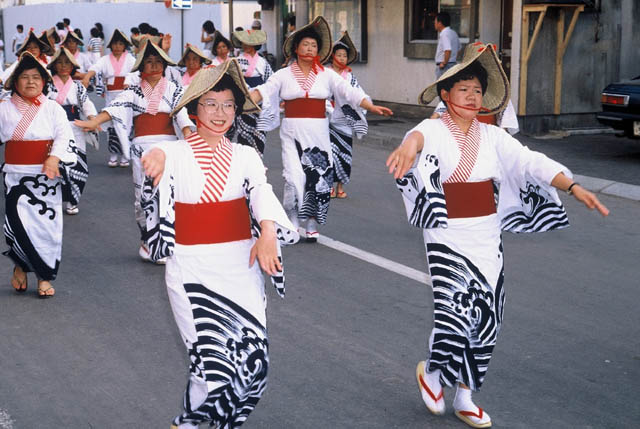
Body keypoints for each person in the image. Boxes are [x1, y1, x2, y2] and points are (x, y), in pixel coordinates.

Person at [385, 44, 609, 428]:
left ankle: (466, 396)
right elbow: (416, 138)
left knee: (489, 316)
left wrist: (571, 186)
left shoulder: (493, 136)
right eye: (463, 90)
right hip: (446, 233)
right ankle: (433, 373)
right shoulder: (433, 128)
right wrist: (408, 146)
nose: (472, 97)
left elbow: (530, 161)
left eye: (476, 90)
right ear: (445, 95)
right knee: (455, 311)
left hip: (486, 233)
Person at [140, 59, 299, 428]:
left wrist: (269, 231)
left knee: (253, 365)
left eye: (228, 104)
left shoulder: (246, 155)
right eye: (210, 103)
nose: (219, 112)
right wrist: (157, 155)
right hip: (191, 268)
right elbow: (159, 156)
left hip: (240, 267)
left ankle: (191, 422)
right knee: (210, 364)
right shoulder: (174, 152)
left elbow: (260, 190)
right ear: (194, 110)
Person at [249, 16, 392, 241]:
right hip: (291, 131)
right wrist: (243, 99)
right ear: (296, 48)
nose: (309, 48)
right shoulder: (283, 74)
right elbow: (264, 90)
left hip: (319, 132)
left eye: (313, 45)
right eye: (305, 44)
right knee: (294, 176)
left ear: (318, 50)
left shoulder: (327, 75)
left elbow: (349, 91)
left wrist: (369, 106)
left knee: (319, 177)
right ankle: (293, 219)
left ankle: (313, 221)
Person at [76, 41, 194, 263]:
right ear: (141, 68)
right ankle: (146, 240)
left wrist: (189, 135)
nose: (154, 66)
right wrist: (95, 122)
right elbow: (114, 108)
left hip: (169, 147)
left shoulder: (174, 89)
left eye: (158, 61)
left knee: (167, 195)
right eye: (148, 62)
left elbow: (182, 116)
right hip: (142, 147)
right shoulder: (133, 92)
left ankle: (165, 242)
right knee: (143, 197)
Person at [0, 52, 77, 298]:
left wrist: (54, 157)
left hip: (46, 176)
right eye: (24, 77)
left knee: (46, 228)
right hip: (15, 176)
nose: (31, 82)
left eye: (36, 77)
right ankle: (20, 266)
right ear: (14, 82)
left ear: (44, 82)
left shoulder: (53, 108)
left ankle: (44, 275)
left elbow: (64, 136)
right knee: (17, 224)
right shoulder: (4, 109)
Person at [47, 47, 98, 215]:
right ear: (54, 65)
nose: (63, 66)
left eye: (67, 63)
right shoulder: (47, 86)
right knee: (58, 164)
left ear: (72, 66)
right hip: (53, 127)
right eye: (59, 62)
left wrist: (92, 119)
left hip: (74, 126)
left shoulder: (77, 87)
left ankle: (73, 200)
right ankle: (54, 199)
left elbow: (87, 104)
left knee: (79, 165)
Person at [82, 29, 136, 167]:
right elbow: (96, 67)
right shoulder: (105, 59)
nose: (117, 47)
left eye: (120, 44)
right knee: (111, 126)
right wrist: (88, 76)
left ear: (124, 46)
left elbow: (137, 72)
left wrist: (129, 82)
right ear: (110, 46)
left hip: (126, 96)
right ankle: (113, 154)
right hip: (111, 96)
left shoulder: (130, 59)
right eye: (115, 44)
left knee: (126, 125)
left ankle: (125, 155)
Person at [326, 31, 369, 199]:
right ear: (332, 56)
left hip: (345, 121)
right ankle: (329, 185)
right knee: (330, 154)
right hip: (329, 120)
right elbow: (323, 95)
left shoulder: (350, 77)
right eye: (339, 55)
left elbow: (359, 94)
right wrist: (329, 108)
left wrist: (363, 106)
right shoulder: (326, 74)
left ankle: (340, 186)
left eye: (345, 55)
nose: (342, 58)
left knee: (345, 155)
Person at [232, 28, 273, 155]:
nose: (246, 45)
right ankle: (245, 164)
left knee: (259, 133)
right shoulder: (237, 60)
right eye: (244, 42)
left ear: (255, 45)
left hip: (259, 100)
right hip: (243, 99)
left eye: (249, 43)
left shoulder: (263, 62)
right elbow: (234, 79)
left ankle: (258, 162)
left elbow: (270, 80)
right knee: (244, 134)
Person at [434, 12, 459, 79]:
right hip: (452, 64)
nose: (434, 24)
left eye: (435, 22)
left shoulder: (444, 33)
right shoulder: (453, 33)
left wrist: (444, 63)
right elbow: (459, 49)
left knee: (442, 87)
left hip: (445, 67)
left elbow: (448, 50)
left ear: (440, 23)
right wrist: (453, 59)